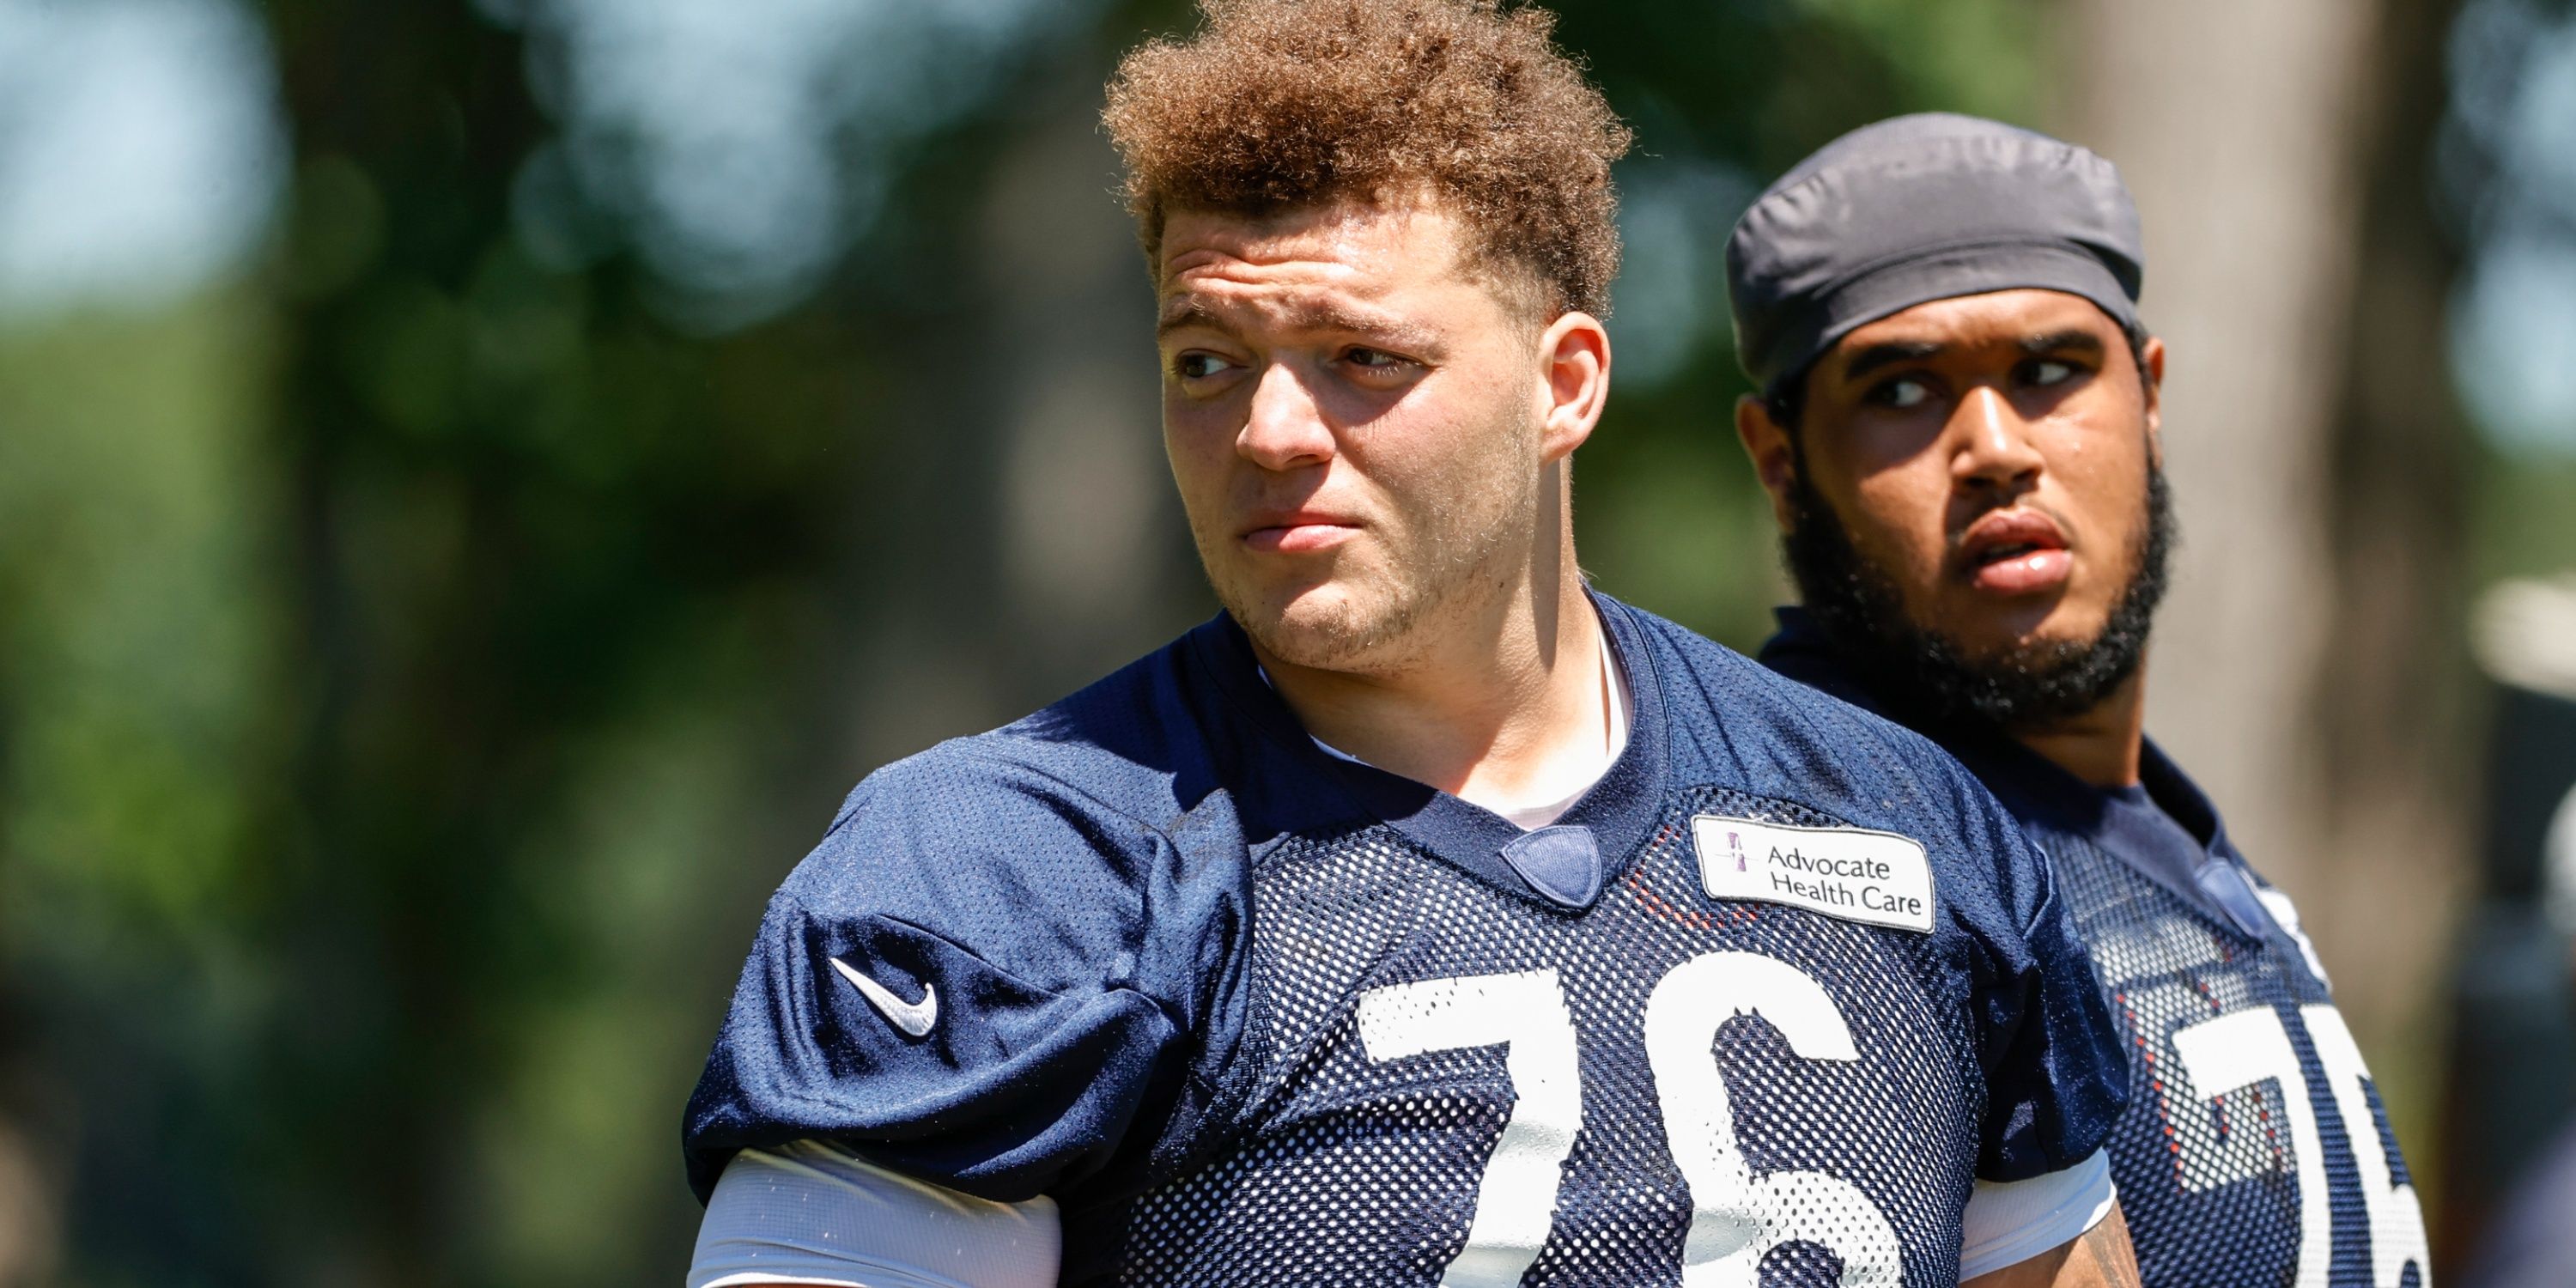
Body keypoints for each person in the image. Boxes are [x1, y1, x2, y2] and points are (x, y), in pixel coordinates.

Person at [680, 8, 2140, 1285]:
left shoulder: (1907, 817)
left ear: (1565, 384)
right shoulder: (1004, 870)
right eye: (1207, 362)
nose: (1266, 432)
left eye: (1365, 360)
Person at [1731, 113, 2431, 1287]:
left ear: (2149, 399)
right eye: (1901, 389)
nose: (1994, 446)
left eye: (2050, 370)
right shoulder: (1814, 860)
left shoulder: (2146, 820)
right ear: (1783, 463)